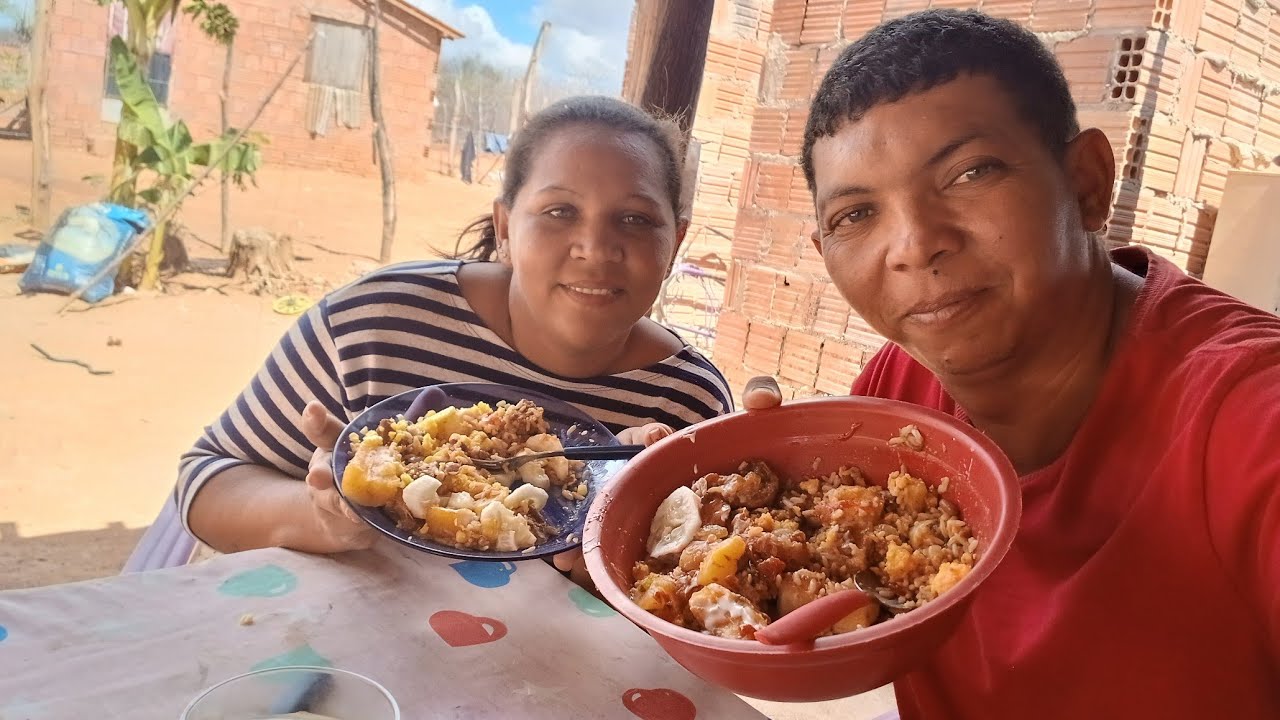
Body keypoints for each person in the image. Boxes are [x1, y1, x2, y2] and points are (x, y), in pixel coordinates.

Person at [747, 9, 1280, 719]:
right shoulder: (895, 398)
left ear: (1088, 184)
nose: (914, 244)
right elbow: (852, 618)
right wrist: (707, 535)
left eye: (970, 172)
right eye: (855, 215)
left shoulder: (1245, 421)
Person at [177, 97, 734, 587]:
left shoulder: (688, 404)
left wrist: (616, 563)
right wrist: (320, 515)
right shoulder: (376, 323)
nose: (595, 246)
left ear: (676, 241)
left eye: (635, 219)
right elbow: (204, 482)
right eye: (559, 211)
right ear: (507, 227)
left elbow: (674, 589)